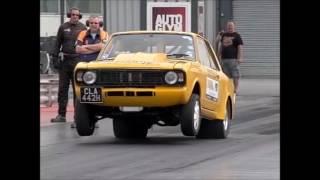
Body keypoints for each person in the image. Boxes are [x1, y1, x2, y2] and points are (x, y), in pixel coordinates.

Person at [69, 15, 109, 128]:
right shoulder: (82, 33)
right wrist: (94, 48)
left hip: (97, 68)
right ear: (88, 23)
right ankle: (77, 119)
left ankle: (93, 119)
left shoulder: (104, 33)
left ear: (99, 24)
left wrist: (86, 48)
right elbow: (77, 49)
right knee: (79, 93)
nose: (93, 25)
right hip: (83, 67)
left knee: (95, 93)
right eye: (91, 23)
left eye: (96, 23)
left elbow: (103, 47)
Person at [50, 7, 87, 124]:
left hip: (77, 61)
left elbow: (86, 45)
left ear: (79, 16)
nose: (74, 16)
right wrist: (54, 57)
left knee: (78, 90)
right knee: (62, 89)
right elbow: (57, 43)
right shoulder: (63, 27)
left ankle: (78, 117)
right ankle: (61, 115)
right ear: (69, 15)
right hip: (65, 62)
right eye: (72, 14)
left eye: (76, 15)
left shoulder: (83, 28)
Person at [217, 20, 243, 94]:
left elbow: (240, 47)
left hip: (233, 59)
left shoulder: (237, 35)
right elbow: (220, 46)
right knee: (225, 76)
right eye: (228, 26)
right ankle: (227, 89)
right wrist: (218, 56)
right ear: (226, 27)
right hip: (224, 59)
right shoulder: (223, 35)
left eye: (231, 26)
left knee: (235, 75)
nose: (230, 27)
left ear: (234, 27)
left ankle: (235, 89)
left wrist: (240, 58)